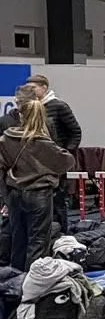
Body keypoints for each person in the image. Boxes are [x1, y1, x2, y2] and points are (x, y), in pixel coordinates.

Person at [0, 96, 71, 269]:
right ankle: (34, 282)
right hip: (39, 195)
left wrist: (5, 195)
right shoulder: (43, 142)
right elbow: (67, 161)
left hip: (14, 194)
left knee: (18, 240)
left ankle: (15, 280)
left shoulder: (6, 139)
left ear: (20, 115)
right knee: (38, 242)